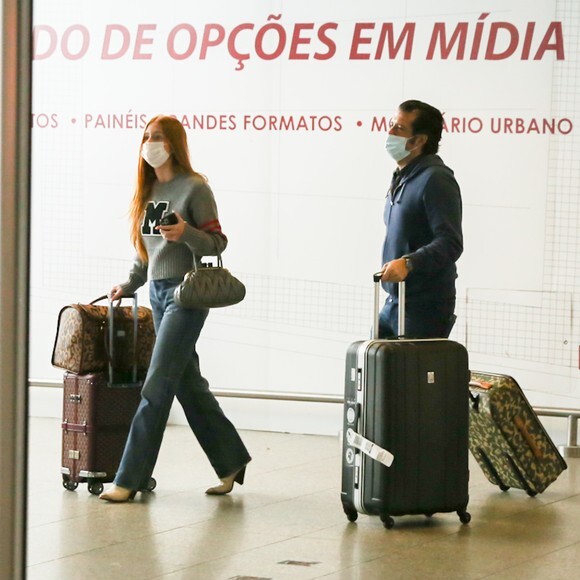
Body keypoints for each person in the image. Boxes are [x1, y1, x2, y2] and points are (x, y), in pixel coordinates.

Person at [100, 115, 251, 502]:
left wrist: (187, 234)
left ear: (175, 144)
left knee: (157, 384)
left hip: (187, 295)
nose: (150, 143)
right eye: (146, 137)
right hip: (158, 295)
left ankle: (128, 478)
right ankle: (231, 460)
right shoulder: (146, 191)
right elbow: (145, 251)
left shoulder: (195, 188)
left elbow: (217, 244)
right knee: (187, 384)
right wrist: (130, 283)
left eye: (159, 138)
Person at [379, 100, 463, 339]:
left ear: (418, 141)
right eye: (392, 124)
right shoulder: (403, 177)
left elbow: (450, 243)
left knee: (409, 375)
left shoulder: (436, 179)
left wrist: (408, 263)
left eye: (399, 128)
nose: (390, 132)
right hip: (394, 302)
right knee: (376, 370)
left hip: (423, 308)